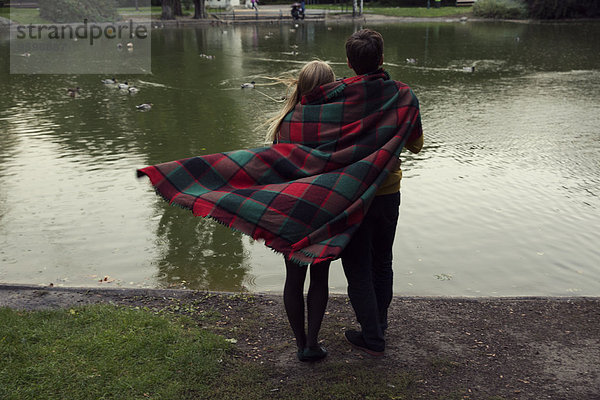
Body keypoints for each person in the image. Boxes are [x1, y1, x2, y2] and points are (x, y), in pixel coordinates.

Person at [340, 29, 424, 356]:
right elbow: (416, 145)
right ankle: (380, 325)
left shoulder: (339, 96)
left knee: (357, 264)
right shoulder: (403, 95)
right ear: (382, 59)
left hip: (353, 194)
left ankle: (372, 335)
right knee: (382, 260)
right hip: (389, 192)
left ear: (349, 63)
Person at [266, 61, 336, 362]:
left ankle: (300, 344)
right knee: (320, 277)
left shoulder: (285, 122)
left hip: (291, 209)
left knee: (293, 279)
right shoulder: (339, 120)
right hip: (324, 208)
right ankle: (313, 343)